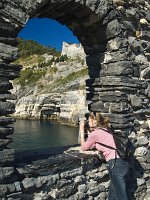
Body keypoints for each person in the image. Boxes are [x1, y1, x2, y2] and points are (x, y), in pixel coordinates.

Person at [79, 112, 129, 200]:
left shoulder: (96, 134)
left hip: (115, 164)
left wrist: (81, 130)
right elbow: (95, 143)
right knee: (113, 193)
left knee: (121, 196)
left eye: (89, 121)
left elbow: (84, 147)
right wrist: (89, 130)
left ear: (95, 123)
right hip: (122, 162)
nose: (87, 122)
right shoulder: (107, 130)